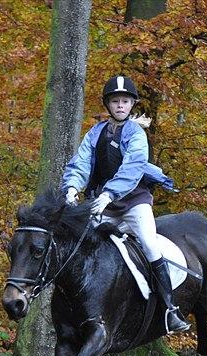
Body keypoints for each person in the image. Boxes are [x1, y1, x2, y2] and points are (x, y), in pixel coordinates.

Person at [61, 75, 190, 333]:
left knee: (150, 245)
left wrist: (109, 194)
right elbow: (81, 163)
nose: (120, 105)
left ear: (132, 105)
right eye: (115, 101)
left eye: (125, 101)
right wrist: (73, 187)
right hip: (102, 205)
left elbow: (132, 168)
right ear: (108, 105)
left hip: (133, 203)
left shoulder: (136, 134)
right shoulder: (95, 134)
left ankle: (169, 310)